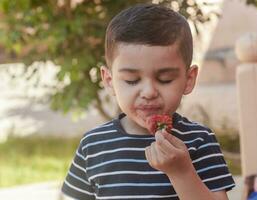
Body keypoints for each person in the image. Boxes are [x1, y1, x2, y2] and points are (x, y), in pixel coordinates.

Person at [61, 3, 235, 200]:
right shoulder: (93, 146)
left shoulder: (199, 141)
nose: (149, 92)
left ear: (189, 80)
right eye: (132, 80)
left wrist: (181, 173)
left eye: (165, 79)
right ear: (109, 81)